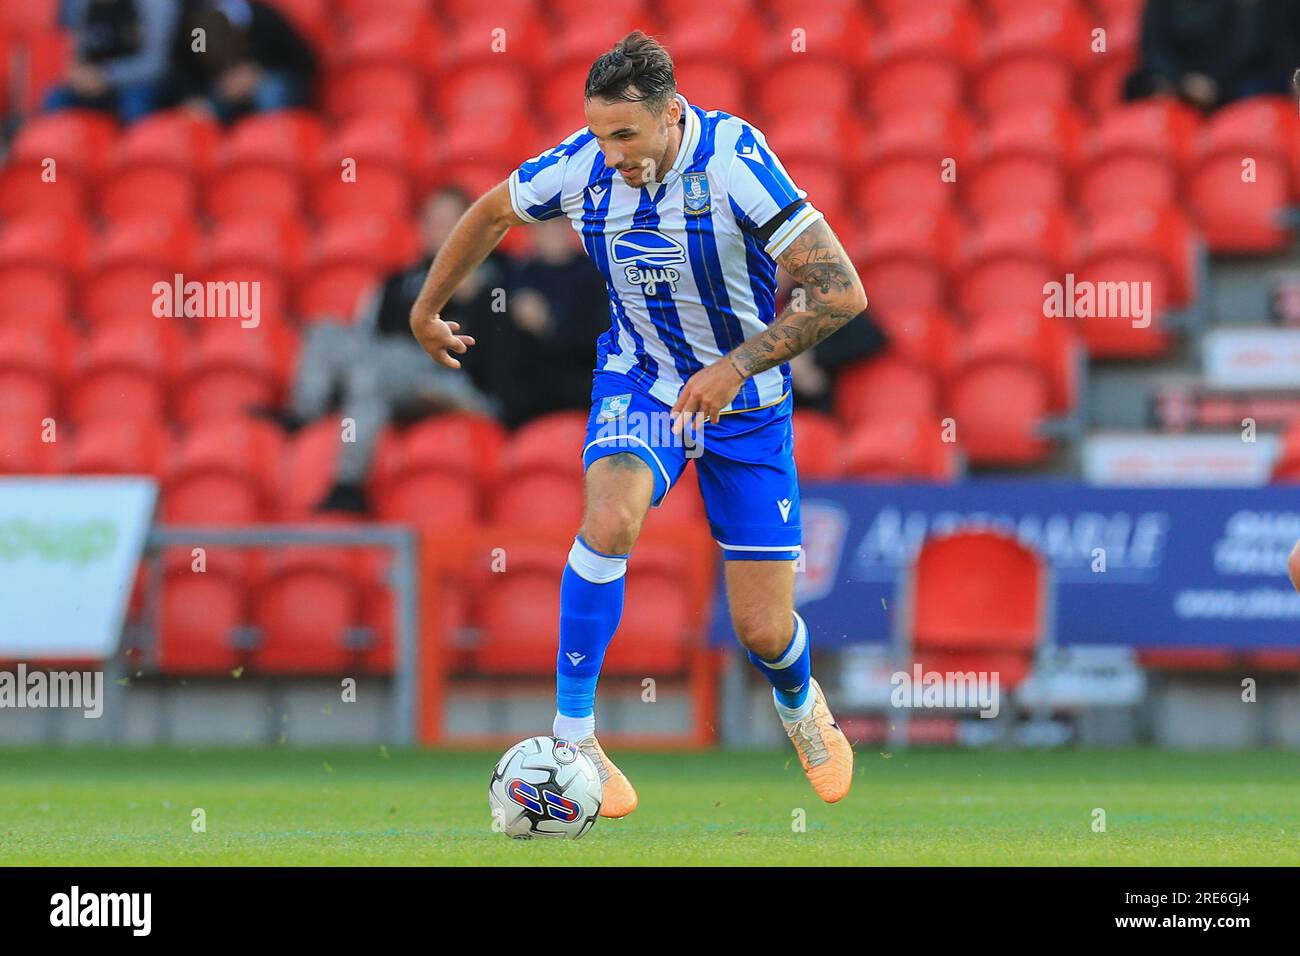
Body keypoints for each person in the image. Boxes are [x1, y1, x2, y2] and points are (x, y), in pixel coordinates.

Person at [409, 32, 867, 816]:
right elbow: (490, 214)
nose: (611, 151)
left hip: (747, 404)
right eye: (598, 133)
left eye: (626, 133)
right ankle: (575, 735)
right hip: (644, 383)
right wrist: (426, 309)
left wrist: (734, 368)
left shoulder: (735, 163)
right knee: (610, 517)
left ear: (672, 115)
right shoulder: (582, 168)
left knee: (762, 629)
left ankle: (799, 705)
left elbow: (842, 293)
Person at [259, 188, 500, 515]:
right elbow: (366, 331)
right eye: (432, 221)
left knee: (371, 372)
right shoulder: (398, 280)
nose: (439, 229)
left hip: (443, 376)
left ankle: (348, 484)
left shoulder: (492, 278)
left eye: (449, 221)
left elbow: (502, 353)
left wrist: (478, 299)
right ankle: (304, 412)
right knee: (325, 332)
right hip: (386, 365)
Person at [498, 217, 613, 427]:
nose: (552, 232)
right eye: (544, 226)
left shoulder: (594, 274)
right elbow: (495, 321)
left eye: (557, 225)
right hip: (524, 398)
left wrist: (549, 326)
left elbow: (600, 340)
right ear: (530, 232)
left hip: (579, 392)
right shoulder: (516, 274)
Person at [1125, 0, 1300, 110]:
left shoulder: (1234, 6)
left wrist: (1211, 80)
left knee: (1249, 92)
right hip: (1170, 78)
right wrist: (1172, 80)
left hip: (1218, 80)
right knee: (1134, 85)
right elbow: (1153, 46)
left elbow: (1238, 48)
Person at [169, 0, 316, 122]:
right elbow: (184, 67)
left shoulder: (263, 17)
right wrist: (193, 97)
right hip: (220, 92)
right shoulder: (197, 28)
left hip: (267, 87)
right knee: (200, 110)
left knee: (270, 91)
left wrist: (257, 74)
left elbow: (303, 59)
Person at [43, 0, 181, 124]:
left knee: (133, 107)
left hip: (137, 81)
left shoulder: (156, 4)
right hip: (93, 79)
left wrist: (106, 76)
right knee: (55, 101)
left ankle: (136, 151)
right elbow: (77, 50)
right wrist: (78, 73)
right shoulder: (81, 4)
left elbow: (155, 64)